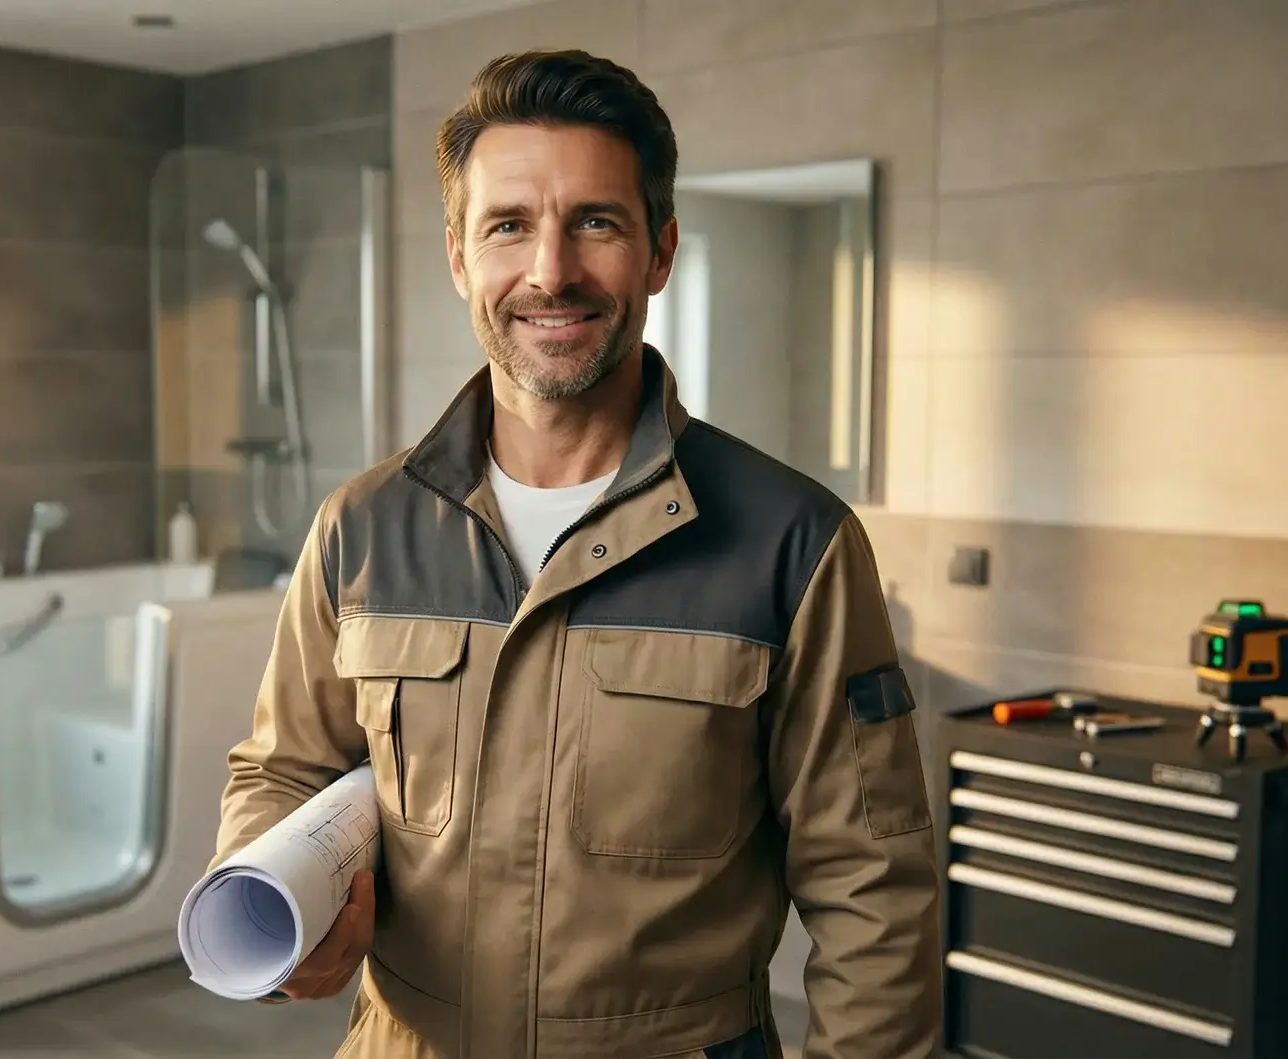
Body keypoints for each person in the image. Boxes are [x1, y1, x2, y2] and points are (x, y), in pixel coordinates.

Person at [210, 48, 941, 1059]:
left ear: (661, 252)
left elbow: (876, 896)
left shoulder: (794, 544)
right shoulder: (361, 528)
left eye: (595, 222)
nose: (550, 271)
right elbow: (285, 770)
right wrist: (270, 901)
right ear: (460, 257)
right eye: (508, 225)